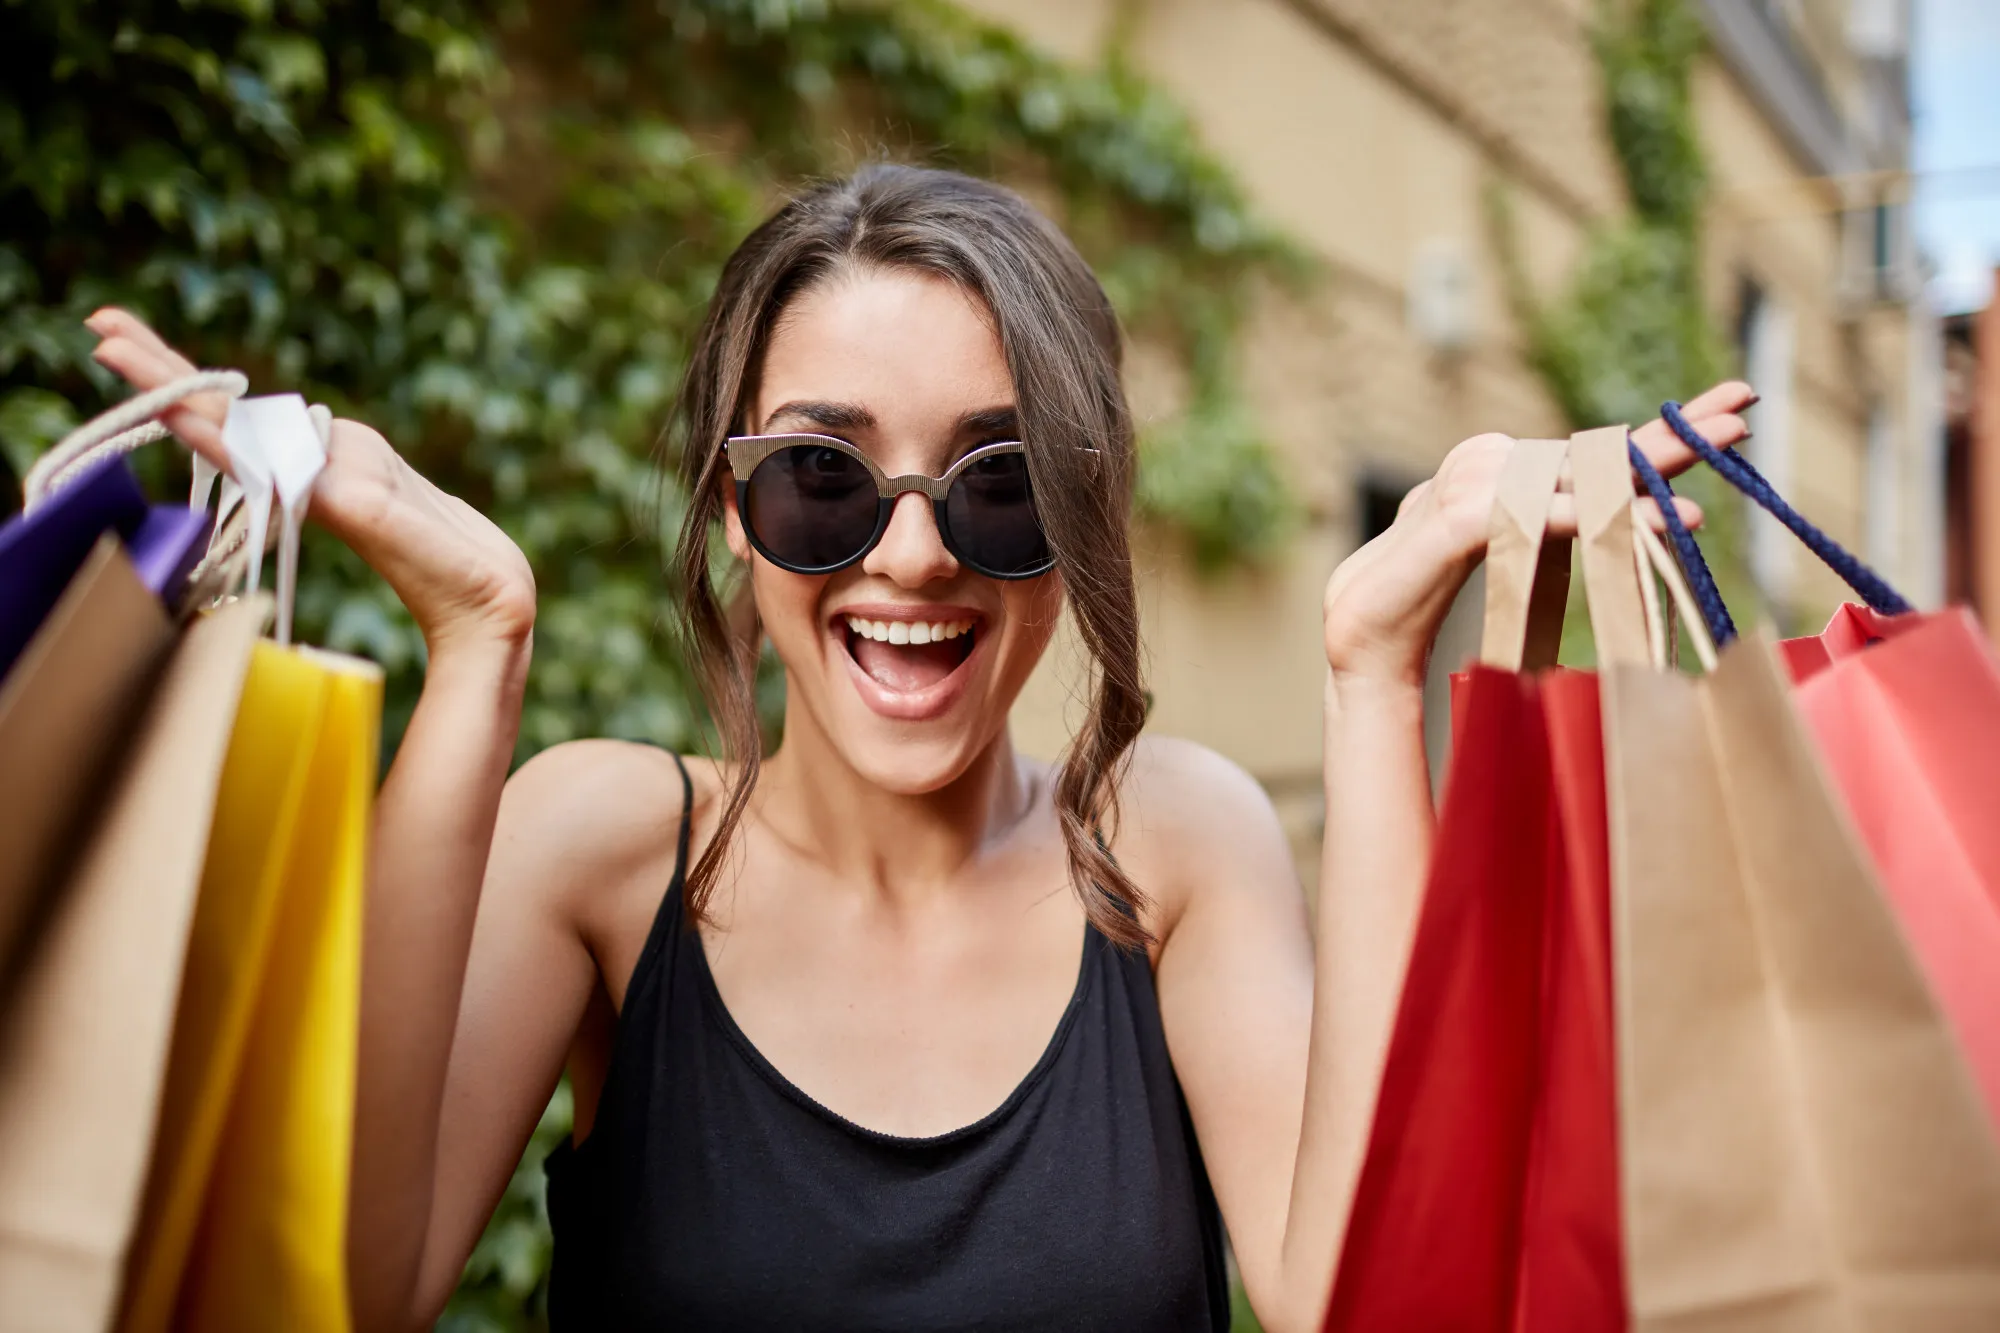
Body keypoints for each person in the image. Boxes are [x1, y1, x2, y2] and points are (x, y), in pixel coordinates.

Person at [87, 164, 1751, 1332]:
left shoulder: (1170, 848)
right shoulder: (601, 850)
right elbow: (353, 1292)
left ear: (1085, 515)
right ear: (732, 513)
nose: (909, 556)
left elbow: (1350, 1292)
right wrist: (477, 645)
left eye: (999, 482)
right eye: (823, 477)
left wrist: (1378, 676)